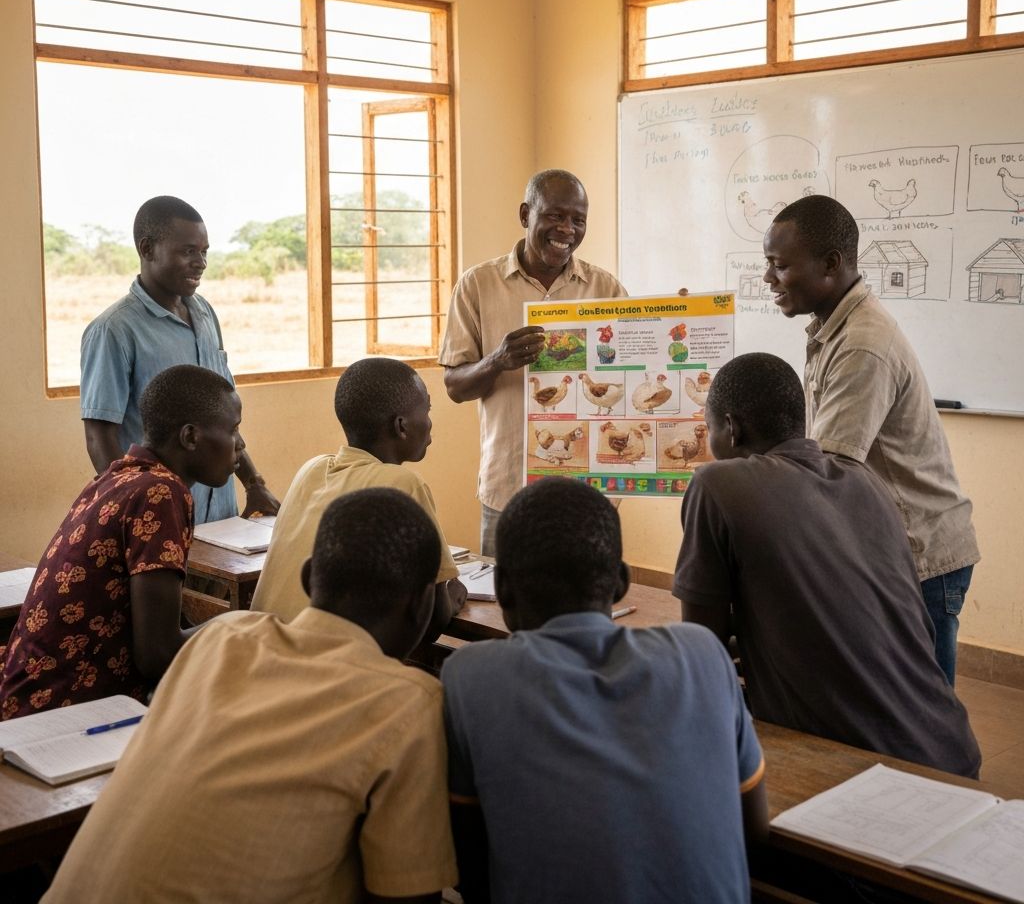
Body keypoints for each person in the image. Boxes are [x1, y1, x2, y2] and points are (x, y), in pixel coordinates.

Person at [42, 488, 458, 904]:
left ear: (309, 578)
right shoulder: (404, 703)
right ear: (423, 603)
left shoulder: (223, 638)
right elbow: (408, 896)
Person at [442, 477, 767, 904]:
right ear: (621, 582)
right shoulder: (704, 655)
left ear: (501, 589)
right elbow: (753, 830)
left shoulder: (469, 678)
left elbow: (468, 865)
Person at [674, 353, 981, 777]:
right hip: (950, 748)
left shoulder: (717, 484)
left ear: (731, 427)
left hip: (863, 773)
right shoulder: (866, 481)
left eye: (708, 429)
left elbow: (701, 651)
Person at [763, 195, 979, 684]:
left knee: (924, 718)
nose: (768, 279)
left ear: (831, 264)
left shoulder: (862, 343)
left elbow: (832, 472)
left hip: (920, 556)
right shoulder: (831, 329)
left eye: (779, 266)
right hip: (887, 549)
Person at [0, 365, 243, 719]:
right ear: (190, 437)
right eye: (234, 429)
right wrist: (238, 624)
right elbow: (157, 655)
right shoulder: (161, 493)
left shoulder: (120, 474)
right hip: (59, 709)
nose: (241, 443)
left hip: (25, 686)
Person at [440, 169, 626, 555]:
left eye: (578, 220)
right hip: (508, 489)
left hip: (586, 491)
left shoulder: (605, 289)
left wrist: (681, 322)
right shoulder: (477, 285)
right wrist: (496, 361)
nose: (567, 230)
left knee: (585, 605)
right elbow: (455, 387)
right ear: (526, 215)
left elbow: (635, 363)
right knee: (500, 609)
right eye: (555, 216)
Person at [80, 194, 279, 524]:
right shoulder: (113, 330)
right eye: (188, 251)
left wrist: (254, 484)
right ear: (147, 249)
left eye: (204, 252)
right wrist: (138, 512)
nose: (200, 262)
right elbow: (99, 437)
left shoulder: (204, 314)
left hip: (220, 516)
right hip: (161, 518)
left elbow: (223, 421)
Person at [251, 358, 465, 640]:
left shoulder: (311, 469)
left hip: (262, 645)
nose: (429, 422)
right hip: (325, 665)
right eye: (427, 409)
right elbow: (433, 620)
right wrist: (454, 598)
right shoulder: (402, 484)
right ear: (401, 426)